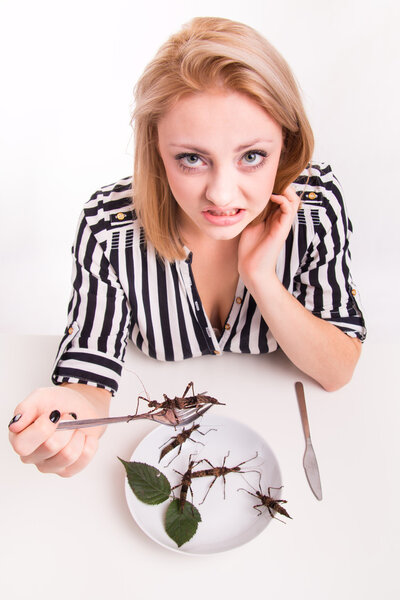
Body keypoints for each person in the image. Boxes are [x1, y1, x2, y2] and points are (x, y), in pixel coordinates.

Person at [8, 16, 366, 477]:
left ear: (287, 144)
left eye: (251, 156)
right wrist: (73, 407)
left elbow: (337, 371)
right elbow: (91, 363)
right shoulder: (108, 227)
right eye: (192, 159)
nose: (221, 194)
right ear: (157, 147)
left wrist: (262, 279)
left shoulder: (315, 205)